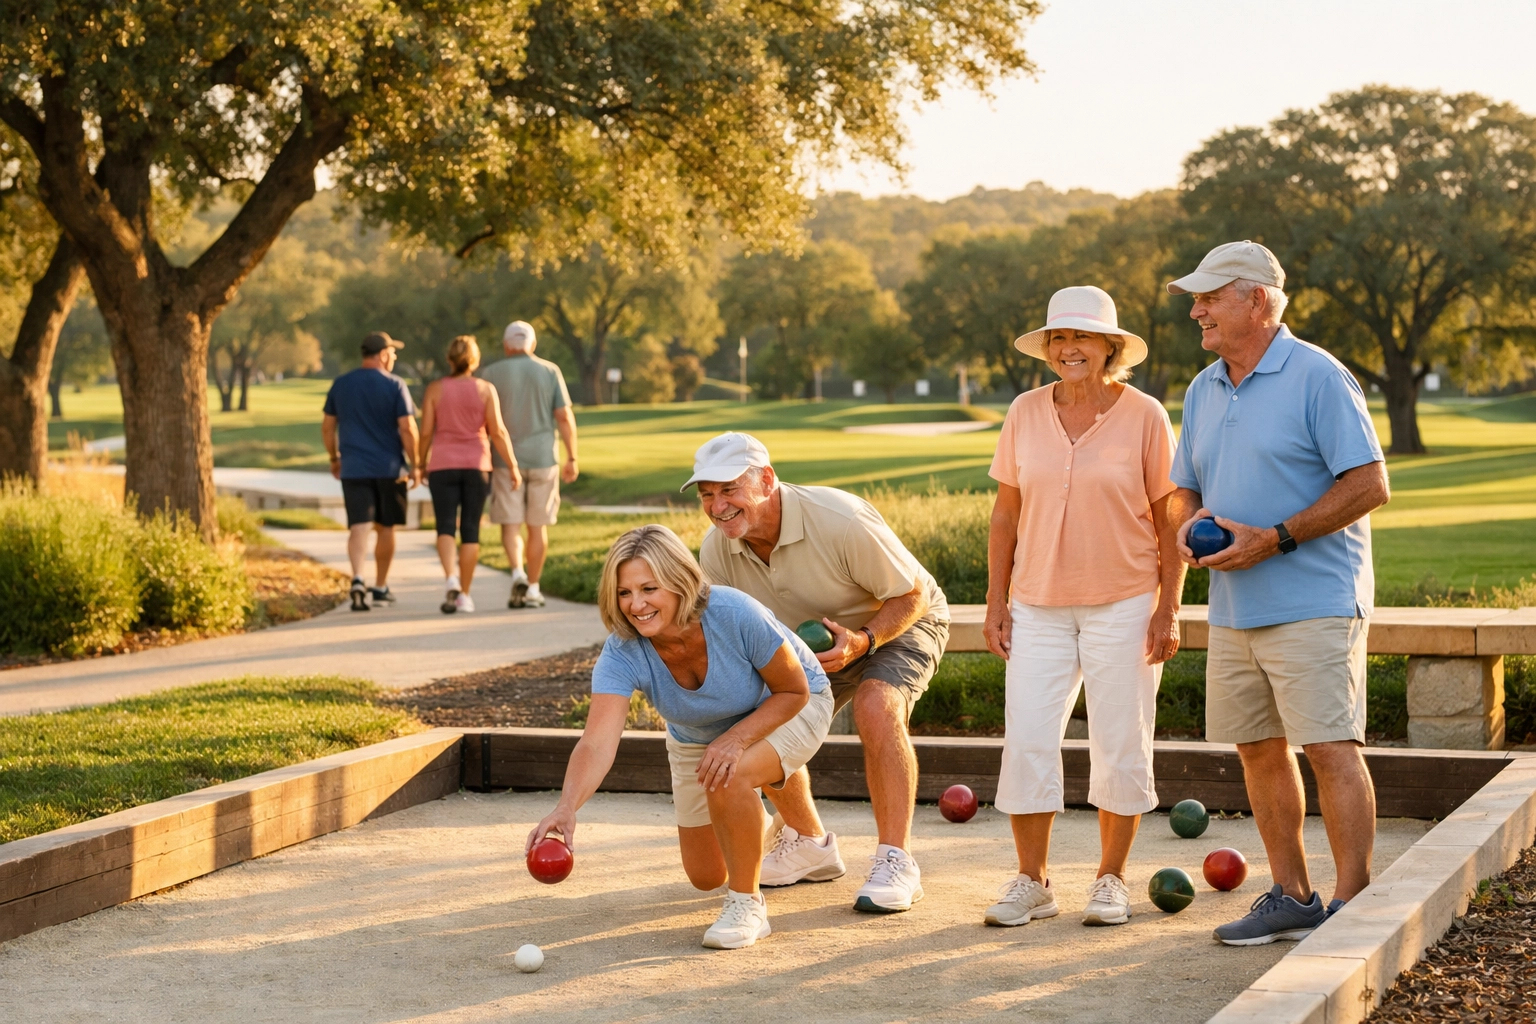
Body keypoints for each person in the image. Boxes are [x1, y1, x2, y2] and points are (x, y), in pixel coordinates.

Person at [1164, 240, 1390, 946]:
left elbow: (1369, 484)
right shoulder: (1203, 387)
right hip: (1233, 607)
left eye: (1209, 297)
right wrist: (1184, 524)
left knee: (1329, 746)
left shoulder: (1319, 376)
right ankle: (1292, 895)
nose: (1196, 310)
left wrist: (1276, 537)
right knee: (1258, 750)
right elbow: (1183, 491)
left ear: (1256, 300)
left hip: (1315, 599)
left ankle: (1352, 906)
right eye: (1196, 299)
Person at [980, 285, 1184, 929]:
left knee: (1120, 741)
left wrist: (1168, 606)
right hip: (1036, 604)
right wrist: (996, 601)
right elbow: (1006, 514)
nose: (1070, 349)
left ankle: (1110, 880)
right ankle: (1032, 881)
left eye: (1084, 339)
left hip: (1125, 601)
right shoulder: (1023, 411)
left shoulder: (1146, 415)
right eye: (1060, 339)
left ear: (1110, 347)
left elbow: (1168, 515)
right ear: (1047, 348)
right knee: (1029, 741)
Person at [526, 525, 833, 949]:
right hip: (697, 736)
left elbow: (793, 690)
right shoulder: (623, 650)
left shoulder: (734, 613)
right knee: (706, 875)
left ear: (678, 581)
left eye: (649, 588)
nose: (636, 604)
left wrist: (738, 739)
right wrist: (566, 807)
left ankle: (748, 904)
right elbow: (597, 742)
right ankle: (763, 822)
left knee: (732, 772)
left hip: (793, 701)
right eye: (624, 593)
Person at [686, 432, 950, 914]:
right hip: (810, 650)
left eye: (729, 490)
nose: (718, 506)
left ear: (766, 480)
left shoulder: (839, 519)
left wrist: (864, 641)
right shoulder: (717, 553)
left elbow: (911, 595)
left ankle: (896, 860)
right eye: (707, 494)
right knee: (751, 714)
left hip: (897, 621)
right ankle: (809, 844)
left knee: (876, 704)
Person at [478, 321, 579, 609]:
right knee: (538, 527)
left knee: (510, 525)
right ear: (532, 344)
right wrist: (572, 456)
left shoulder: (491, 374)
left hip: (503, 462)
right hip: (543, 459)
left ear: (506, 344)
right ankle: (533, 588)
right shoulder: (549, 371)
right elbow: (564, 417)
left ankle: (518, 573)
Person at [418, 336, 521, 614]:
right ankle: (464, 594)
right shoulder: (486, 389)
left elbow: (426, 431)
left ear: (449, 360)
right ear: (475, 361)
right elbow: (497, 431)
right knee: (471, 531)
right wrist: (512, 465)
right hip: (477, 466)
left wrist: (419, 463)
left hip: (442, 465)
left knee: (445, 526)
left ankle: (450, 578)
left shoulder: (435, 389)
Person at [322, 331, 420, 611]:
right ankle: (380, 586)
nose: (395, 358)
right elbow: (407, 428)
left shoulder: (341, 384)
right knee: (386, 527)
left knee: (359, 526)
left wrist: (334, 458)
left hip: (353, 468)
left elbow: (328, 427)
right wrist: (416, 464)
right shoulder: (396, 385)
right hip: (390, 469)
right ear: (383, 354)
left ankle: (357, 578)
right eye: (393, 353)